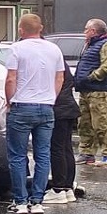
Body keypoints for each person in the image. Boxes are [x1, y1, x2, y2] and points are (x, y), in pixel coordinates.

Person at [4, 13, 66, 214]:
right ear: (41, 29)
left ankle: (20, 201)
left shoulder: (16, 49)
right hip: (46, 107)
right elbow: (60, 78)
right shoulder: (54, 49)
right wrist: (51, 99)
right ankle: (37, 201)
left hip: (21, 106)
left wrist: (9, 100)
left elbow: (11, 79)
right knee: (43, 155)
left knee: (17, 156)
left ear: (21, 30)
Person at [74, 18, 107, 167]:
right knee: (85, 123)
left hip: (99, 91)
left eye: (86, 29)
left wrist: (93, 77)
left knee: (102, 123)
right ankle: (87, 153)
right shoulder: (90, 45)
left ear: (93, 31)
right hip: (86, 90)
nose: (84, 32)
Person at [42, 64, 80, 204]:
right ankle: (67, 188)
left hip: (58, 108)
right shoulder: (58, 57)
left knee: (57, 148)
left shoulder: (48, 58)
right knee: (66, 148)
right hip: (68, 106)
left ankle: (58, 189)